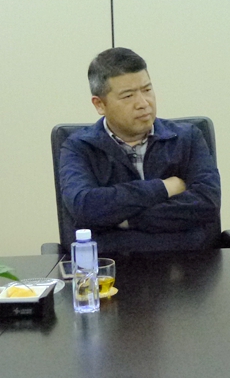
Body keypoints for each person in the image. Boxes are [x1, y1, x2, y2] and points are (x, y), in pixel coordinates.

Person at [59, 48, 221, 252]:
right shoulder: (79, 147)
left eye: (147, 90)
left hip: (188, 263)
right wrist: (164, 188)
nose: (143, 103)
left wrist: (127, 220)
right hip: (112, 265)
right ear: (100, 104)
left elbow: (207, 203)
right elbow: (86, 207)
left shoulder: (187, 138)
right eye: (128, 96)